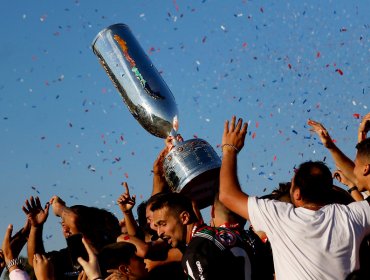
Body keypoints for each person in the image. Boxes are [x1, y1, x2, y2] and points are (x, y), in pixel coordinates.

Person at [219, 116, 370, 279]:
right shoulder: (353, 216)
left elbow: (227, 194)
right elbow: (362, 178)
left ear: (297, 194)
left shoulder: (279, 216)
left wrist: (229, 150)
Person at [151, 191, 250, 280]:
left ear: (184, 218)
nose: (159, 232)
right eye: (157, 226)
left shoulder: (194, 253)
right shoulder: (225, 233)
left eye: (163, 224)